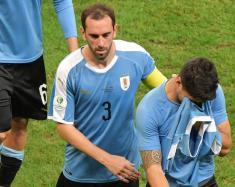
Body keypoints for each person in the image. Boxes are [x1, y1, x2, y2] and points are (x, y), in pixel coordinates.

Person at [47, 3, 166, 187]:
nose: (101, 43)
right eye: (94, 36)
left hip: (126, 173)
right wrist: (108, 160)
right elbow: (64, 127)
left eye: (106, 35)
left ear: (115, 30)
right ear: (83, 33)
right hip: (80, 175)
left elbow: (166, 91)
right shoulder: (68, 70)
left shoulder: (136, 56)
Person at [0, 1, 78, 186]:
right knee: (2, 131)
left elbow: (61, 1)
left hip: (31, 60)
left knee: (19, 125)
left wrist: (74, 54)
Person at [136, 57, 232, 187]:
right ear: (178, 81)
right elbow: (153, 169)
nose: (199, 105)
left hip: (204, 181)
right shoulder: (149, 109)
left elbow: (225, 148)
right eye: (193, 101)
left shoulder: (210, 94)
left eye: (202, 102)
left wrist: (203, 127)